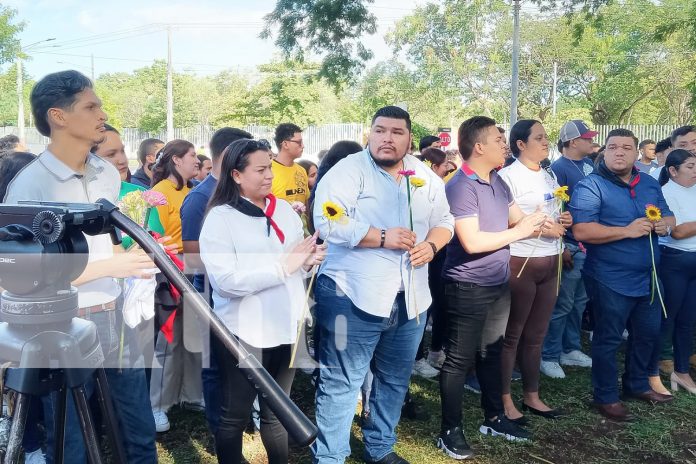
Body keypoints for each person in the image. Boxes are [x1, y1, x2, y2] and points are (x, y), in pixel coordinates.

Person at [4, 69, 157, 464]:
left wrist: (138, 249)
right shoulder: (30, 187)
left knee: (138, 431)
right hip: (61, 328)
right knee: (70, 439)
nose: (101, 112)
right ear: (59, 116)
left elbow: (110, 241)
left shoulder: (106, 172)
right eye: (91, 106)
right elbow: (25, 280)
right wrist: (111, 267)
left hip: (117, 316)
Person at [312, 106, 454, 464]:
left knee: (393, 379)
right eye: (379, 131)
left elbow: (445, 220)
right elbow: (328, 222)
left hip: (411, 298)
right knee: (342, 382)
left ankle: (380, 446)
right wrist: (381, 236)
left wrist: (432, 244)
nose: (387, 138)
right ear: (369, 134)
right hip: (351, 295)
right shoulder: (348, 171)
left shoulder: (423, 175)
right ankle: (330, 456)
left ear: (409, 138)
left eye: (396, 132)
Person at [200, 138, 325, 463]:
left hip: (286, 326)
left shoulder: (283, 210)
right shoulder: (220, 219)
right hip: (244, 333)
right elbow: (226, 283)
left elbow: (295, 263)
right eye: (260, 169)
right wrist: (285, 267)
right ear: (237, 175)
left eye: (269, 167)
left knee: (278, 412)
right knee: (234, 415)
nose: (269, 175)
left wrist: (307, 261)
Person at [437, 117, 546, 460]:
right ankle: (450, 430)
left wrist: (542, 220)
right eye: (499, 139)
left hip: (498, 282)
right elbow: (471, 242)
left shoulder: (498, 180)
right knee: (458, 360)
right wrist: (521, 231)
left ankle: (494, 417)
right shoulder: (460, 186)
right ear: (479, 147)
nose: (505, 144)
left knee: (492, 352)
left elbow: (515, 218)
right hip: (467, 284)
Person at [571, 128, 676, 422]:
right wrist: (626, 231)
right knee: (609, 337)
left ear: (636, 153)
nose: (620, 152)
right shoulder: (590, 186)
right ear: (603, 152)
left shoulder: (649, 184)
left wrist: (663, 226)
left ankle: (637, 385)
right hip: (610, 277)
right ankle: (606, 396)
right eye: (613, 147)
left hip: (650, 277)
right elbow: (582, 230)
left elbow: (668, 216)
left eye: (626, 148)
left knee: (647, 334)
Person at [180, 127, 253, 435]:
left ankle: (240, 417)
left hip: (244, 289)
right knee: (215, 367)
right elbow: (193, 256)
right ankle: (217, 427)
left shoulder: (242, 191)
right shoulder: (199, 199)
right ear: (228, 155)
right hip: (210, 292)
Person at [498, 120, 571, 423]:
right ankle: (503, 399)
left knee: (536, 334)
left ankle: (532, 395)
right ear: (520, 144)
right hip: (521, 262)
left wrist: (562, 221)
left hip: (550, 262)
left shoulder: (549, 174)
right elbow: (505, 222)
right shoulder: (505, 177)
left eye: (546, 138)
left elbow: (551, 213)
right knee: (511, 335)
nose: (545, 142)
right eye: (539, 138)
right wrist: (544, 228)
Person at [149, 139, 203, 432]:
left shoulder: (191, 190)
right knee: (168, 340)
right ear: (176, 161)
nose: (197, 161)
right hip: (170, 268)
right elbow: (154, 237)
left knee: (194, 333)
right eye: (192, 155)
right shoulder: (158, 193)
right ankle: (157, 404)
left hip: (192, 264)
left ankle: (191, 395)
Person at [540, 120, 597, 379]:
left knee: (579, 301)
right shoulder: (557, 169)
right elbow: (554, 210)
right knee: (562, 303)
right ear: (573, 142)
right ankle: (549, 354)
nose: (591, 142)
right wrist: (561, 245)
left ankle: (570, 348)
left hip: (588, 245)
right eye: (587, 138)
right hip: (571, 245)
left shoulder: (588, 164)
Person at [648, 150, 696, 395]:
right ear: (673, 170)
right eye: (690, 166)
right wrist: (686, 228)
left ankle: (681, 370)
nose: (695, 170)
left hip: (694, 260)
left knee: (688, 321)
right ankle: (653, 372)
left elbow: (687, 227)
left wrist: (690, 227)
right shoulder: (666, 193)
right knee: (667, 319)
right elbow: (676, 232)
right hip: (675, 261)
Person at [93, 124, 164, 239]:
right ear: (89, 158)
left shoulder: (141, 194)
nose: (122, 160)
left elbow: (158, 236)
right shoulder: (83, 200)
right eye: (111, 154)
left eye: (123, 151)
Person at [272, 123, 309, 204]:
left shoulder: (301, 171)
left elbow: (306, 204)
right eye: (299, 142)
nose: (303, 146)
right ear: (285, 144)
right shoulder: (268, 172)